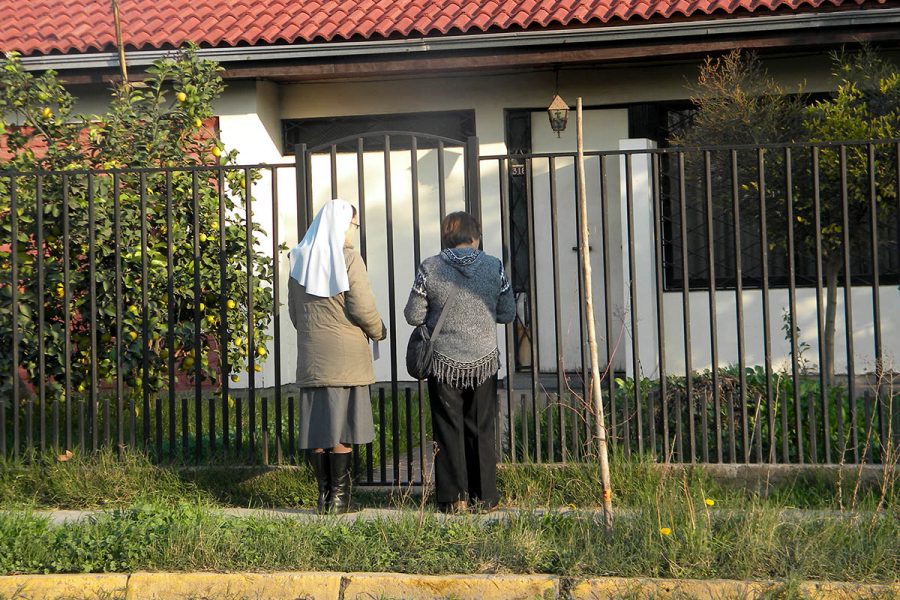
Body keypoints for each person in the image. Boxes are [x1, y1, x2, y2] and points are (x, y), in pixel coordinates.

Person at [404, 211, 515, 513]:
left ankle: (455, 499)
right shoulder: (494, 266)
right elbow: (507, 313)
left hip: (443, 362)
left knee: (448, 427)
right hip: (484, 361)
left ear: (446, 235)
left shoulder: (430, 267)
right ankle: (485, 497)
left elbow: (413, 315)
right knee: (481, 427)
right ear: (475, 236)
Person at [288, 199, 386, 514]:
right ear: (344, 225)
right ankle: (341, 501)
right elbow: (361, 306)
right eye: (354, 225)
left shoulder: (299, 260)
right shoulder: (348, 259)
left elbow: (295, 313)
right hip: (346, 358)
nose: (354, 231)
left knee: (319, 426)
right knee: (342, 426)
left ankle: (324, 498)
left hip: (313, 357)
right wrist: (378, 330)